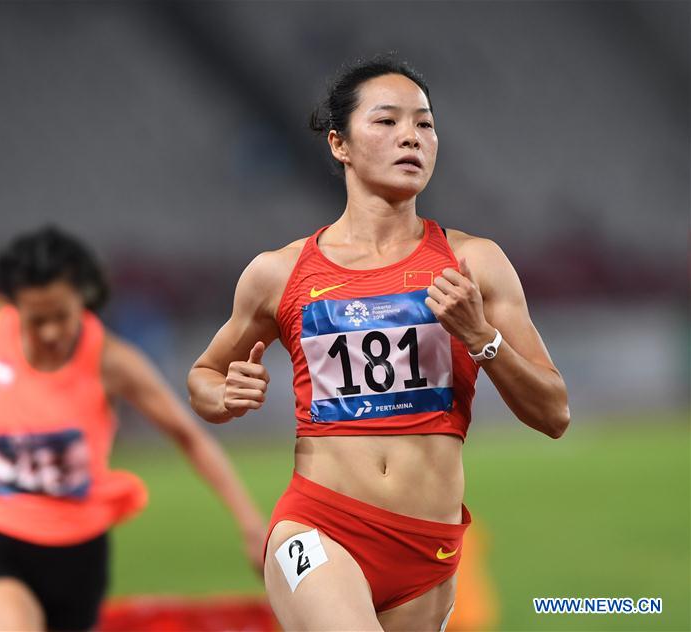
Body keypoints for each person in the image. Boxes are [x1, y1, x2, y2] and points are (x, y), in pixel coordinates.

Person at [188, 55, 569, 631]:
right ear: (339, 144)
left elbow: (554, 412)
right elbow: (204, 377)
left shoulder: (475, 264)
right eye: (387, 122)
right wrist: (225, 397)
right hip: (319, 526)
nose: (411, 137)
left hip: (428, 550)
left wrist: (481, 336)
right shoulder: (278, 273)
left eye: (425, 123)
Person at [0, 226, 266, 632]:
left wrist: (249, 523)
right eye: (36, 320)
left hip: (78, 560)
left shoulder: (112, 361)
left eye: (61, 315)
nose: (52, 331)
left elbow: (188, 436)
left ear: (83, 297)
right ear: (13, 307)